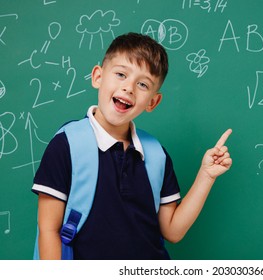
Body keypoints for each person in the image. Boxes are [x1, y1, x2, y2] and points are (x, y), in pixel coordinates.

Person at [32, 32, 232, 260]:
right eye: (120, 74)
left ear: (153, 102)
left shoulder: (156, 154)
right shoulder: (67, 144)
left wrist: (206, 176)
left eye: (143, 84)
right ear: (98, 76)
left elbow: (173, 231)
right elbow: (49, 230)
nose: (129, 88)